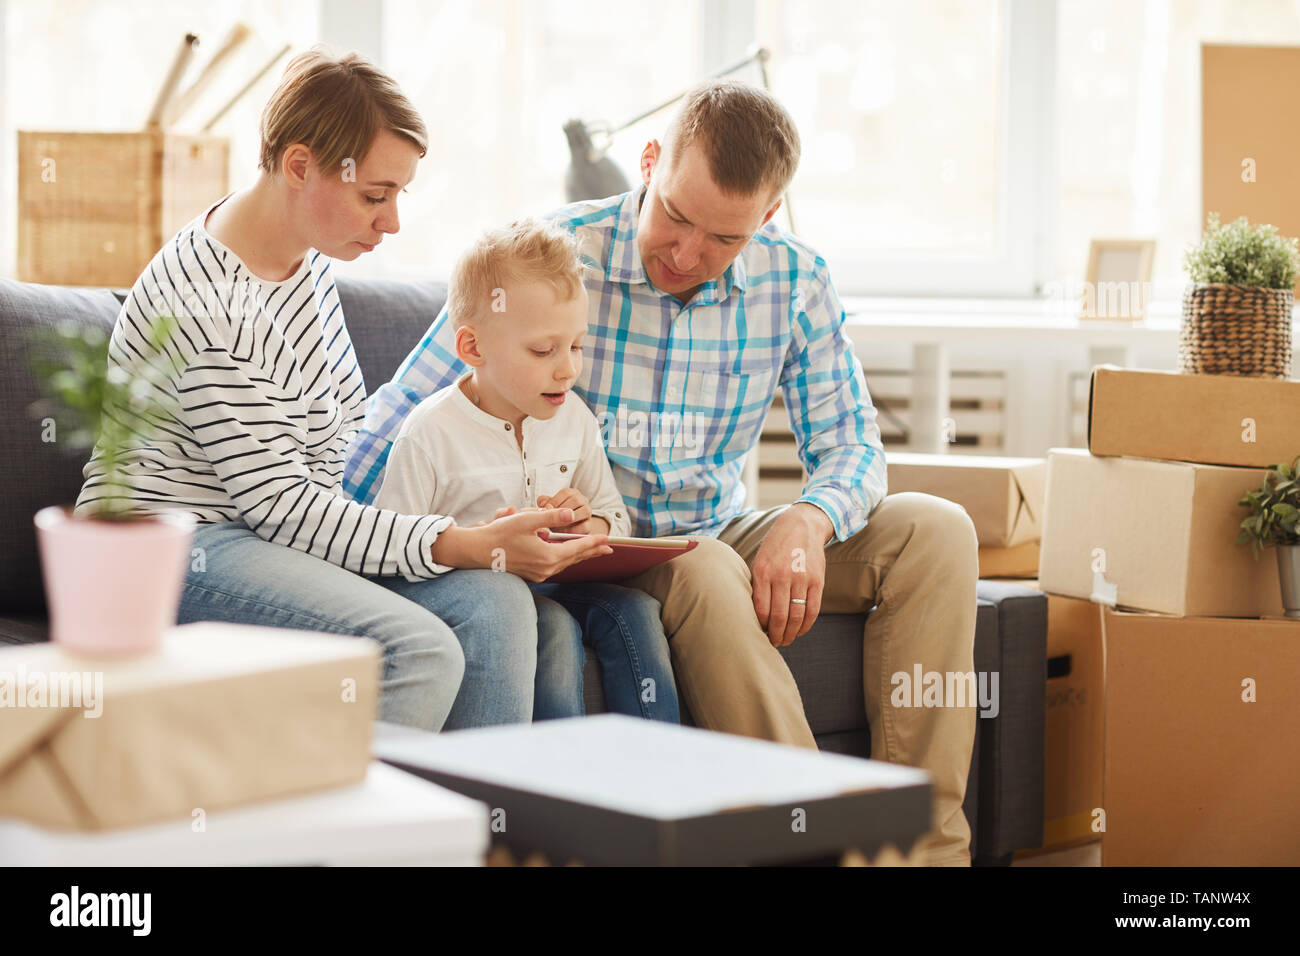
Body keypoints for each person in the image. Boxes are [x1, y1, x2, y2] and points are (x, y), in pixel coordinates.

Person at [346, 79, 979, 865]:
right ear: (648, 163)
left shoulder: (794, 281)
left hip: (721, 527)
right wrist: (331, 534)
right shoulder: (550, 256)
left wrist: (807, 522)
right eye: (676, 216)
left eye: (724, 240)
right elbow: (405, 411)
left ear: (767, 218)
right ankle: (827, 847)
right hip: (617, 551)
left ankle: (926, 852)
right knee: (707, 565)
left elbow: (854, 446)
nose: (687, 255)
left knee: (938, 531)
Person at [74, 47, 613, 732]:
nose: (390, 222)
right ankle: (358, 838)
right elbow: (279, 507)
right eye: (373, 195)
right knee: (418, 650)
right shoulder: (205, 300)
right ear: (299, 166)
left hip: (273, 537)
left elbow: (335, 447)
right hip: (178, 546)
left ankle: (479, 831)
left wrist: (461, 532)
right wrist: (451, 541)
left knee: (497, 602)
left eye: (397, 196)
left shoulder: (304, 264)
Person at [374, 218, 679, 722]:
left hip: (562, 581)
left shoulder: (574, 417)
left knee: (638, 612)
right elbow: (390, 558)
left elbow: (614, 518)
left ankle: (654, 776)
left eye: (577, 345)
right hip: (486, 594)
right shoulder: (430, 432)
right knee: (553, 627)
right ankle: (546, 783)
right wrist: (480, 546)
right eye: (543, 350)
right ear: (473, 348)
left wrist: (590, 524)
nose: (568, 369)